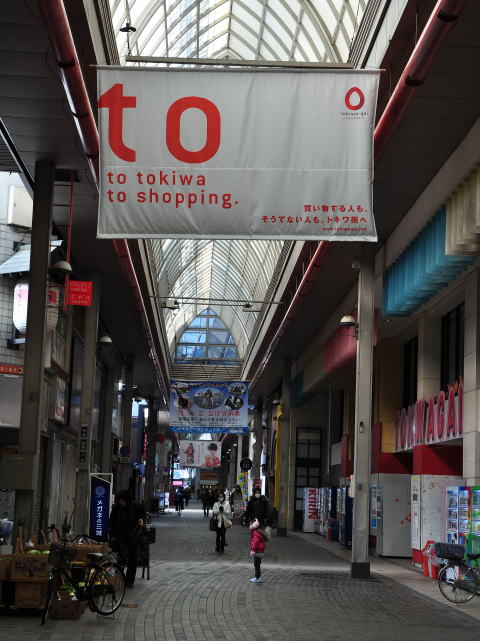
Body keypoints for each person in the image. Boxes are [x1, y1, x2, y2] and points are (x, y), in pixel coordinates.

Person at [109, 489, 146, 588]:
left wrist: (138, 529)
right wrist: (113, 537)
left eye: (122, 500)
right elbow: (112, 523)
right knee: (121, 558)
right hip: (120, 537)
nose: (121, 502)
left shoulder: (136, 507)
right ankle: (119, 579)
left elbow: (143, 518)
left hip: (133, 537)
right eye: (119, 500)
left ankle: (129, 581)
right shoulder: (117, 509)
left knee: (132, 559)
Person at [249, 518, 268, 583]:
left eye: (251, 524)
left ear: (254, 525)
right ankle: (258, 577)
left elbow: (255, 542)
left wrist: (253, 550)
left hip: (257, 551)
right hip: (259, 551)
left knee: (256, 565)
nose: (250, 525)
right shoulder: (258, 531)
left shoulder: (256, 532)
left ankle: (257, 577)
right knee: (257, 564)